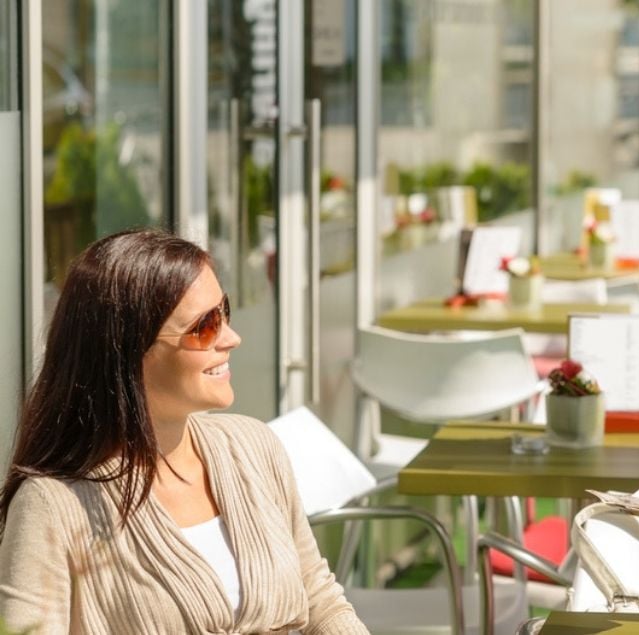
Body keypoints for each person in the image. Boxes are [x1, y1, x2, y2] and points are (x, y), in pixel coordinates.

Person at [0, 229, 368, 633]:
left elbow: (319, 596)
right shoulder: (53, 507)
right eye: (204, 326)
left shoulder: (253, 446)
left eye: (223, 312)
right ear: (128, 352)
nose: (231, 337)